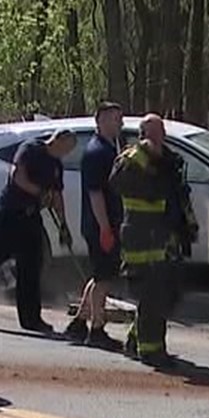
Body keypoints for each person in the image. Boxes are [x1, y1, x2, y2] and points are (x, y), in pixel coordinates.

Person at [0, 128, 76, 331]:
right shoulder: (31, 149)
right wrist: (40, 193)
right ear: (58, 141)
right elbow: (18, 176)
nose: (67, 153)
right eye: (67, 148)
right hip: (9, 214)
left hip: (31, 217)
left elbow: (57, 195)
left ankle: (31, 319)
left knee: (31, 268)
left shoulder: (56, 165)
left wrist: (63, 224)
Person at [109, 114, 197, 367]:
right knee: (152, 293)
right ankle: (151, 351)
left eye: (161, 132)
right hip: (140, 233)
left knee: (166, 294)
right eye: (152, 133)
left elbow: (178, 196)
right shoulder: (132, 159)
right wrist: (146, 159)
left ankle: (136, 339)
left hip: (164, 234)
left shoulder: (171, 161)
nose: (158, 137)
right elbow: (117, 183)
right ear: (142, 135)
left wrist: (187, 225)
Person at [64, 101, 126, 347]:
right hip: (100, 225)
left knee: (99, 274)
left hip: (105, 224)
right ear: (99, 121)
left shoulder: (111, 148)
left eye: (119, 119)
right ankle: (97, 330)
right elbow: (95, 193)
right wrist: (105, 228)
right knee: (105, 278)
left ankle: (79, 323)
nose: (119, 123)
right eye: (113, 118)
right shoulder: (96, 152)